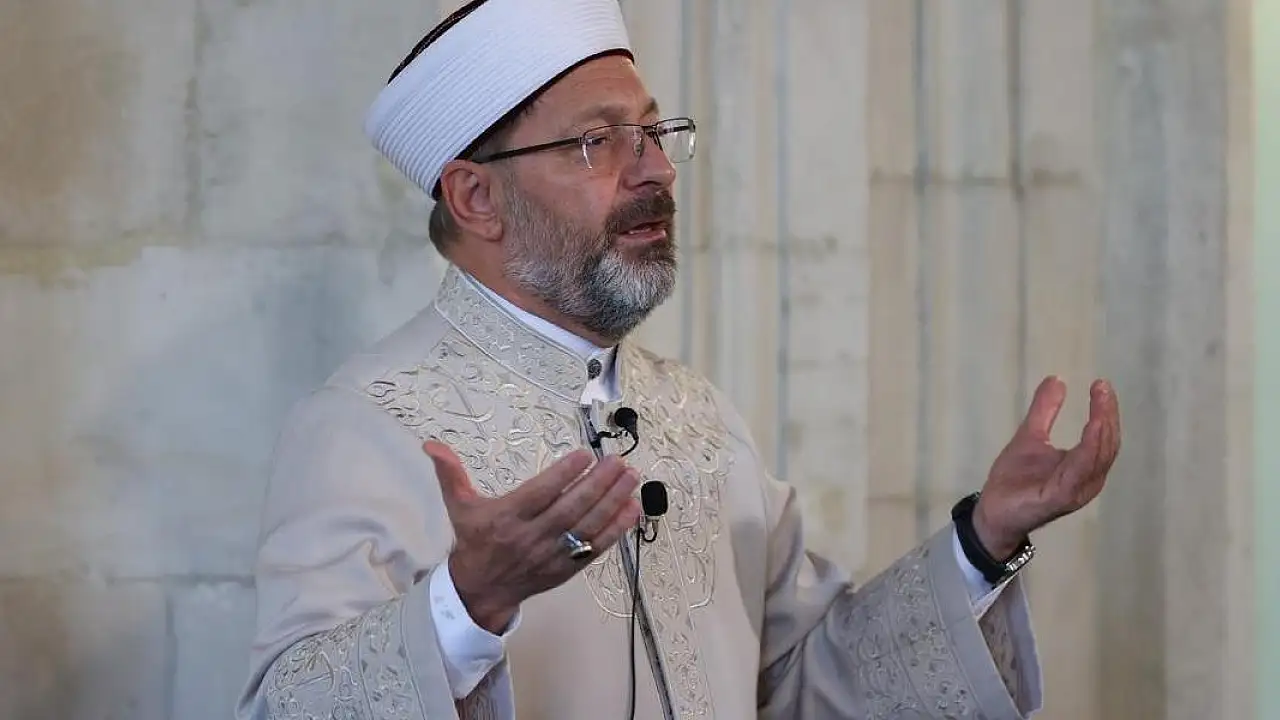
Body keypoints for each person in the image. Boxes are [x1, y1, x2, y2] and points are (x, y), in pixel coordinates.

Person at [235, 0, 1122, 718]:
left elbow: (807, 684)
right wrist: (468, 602)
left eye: (655, 133)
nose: (655, 170)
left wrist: (981, 540)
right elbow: (288, 707)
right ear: (476, 197)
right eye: (600, 142)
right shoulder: (366, 426)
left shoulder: (695, 416)